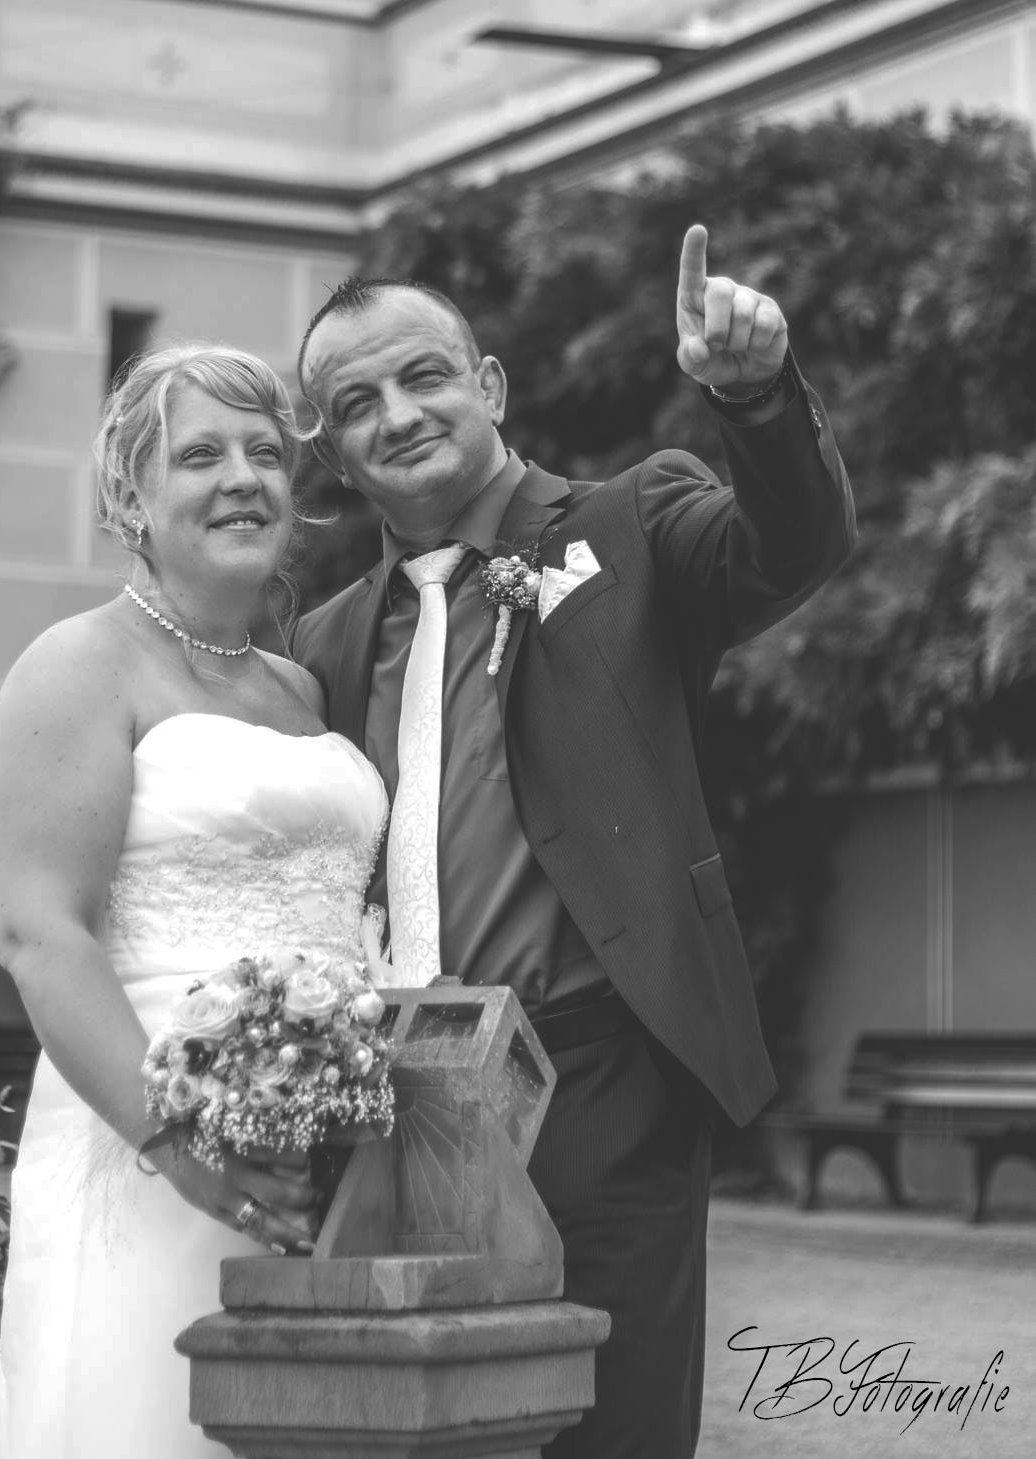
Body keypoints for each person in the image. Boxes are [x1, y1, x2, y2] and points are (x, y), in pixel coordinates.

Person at [292, 224, 856, 1459]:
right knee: (413, 1432)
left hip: (594, 1078)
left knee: (611, 1429)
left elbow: (790, 545)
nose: (398, 414)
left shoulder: (629, 524)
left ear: (489, 386)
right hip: (387, 1102)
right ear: (331, 453)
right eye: (357, 403)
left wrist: (756, 399)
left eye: (424, 376)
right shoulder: (325, 641)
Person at [0, 344, 388, 1458]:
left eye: (266, 453)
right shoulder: (76, 665)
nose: (243, 477)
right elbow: (40, 934)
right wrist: (179, 1140)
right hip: (148, 1136)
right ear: (130, 498)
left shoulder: (299, 686)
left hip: (329, 1145)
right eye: (201, 455)